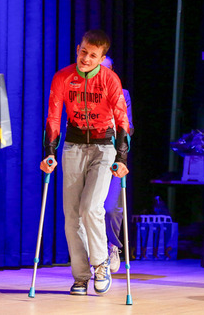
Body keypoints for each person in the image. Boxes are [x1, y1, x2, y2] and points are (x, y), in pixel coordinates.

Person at [40, 30, 130, 296]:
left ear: (102, 58)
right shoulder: (63, 77)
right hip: (73, 146)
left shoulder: (110, 79)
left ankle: (101, 264)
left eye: (93, 55)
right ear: (78, 48)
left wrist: (122, 156)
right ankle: (80, 277)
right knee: (71, 216)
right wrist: (49, 152)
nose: (86, 59)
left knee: (90, 208)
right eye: (83, 52)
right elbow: (53, 116)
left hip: (103, 147)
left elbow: (122, 119)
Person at [100, 56, 134, 273]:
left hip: (114, 156)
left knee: (111, 208)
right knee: (89, 209)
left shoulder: (123, 94)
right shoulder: (85, 93)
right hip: (90, 155)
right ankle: (96, 251)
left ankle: (112, 246)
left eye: (107, 70)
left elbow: (129, 127)